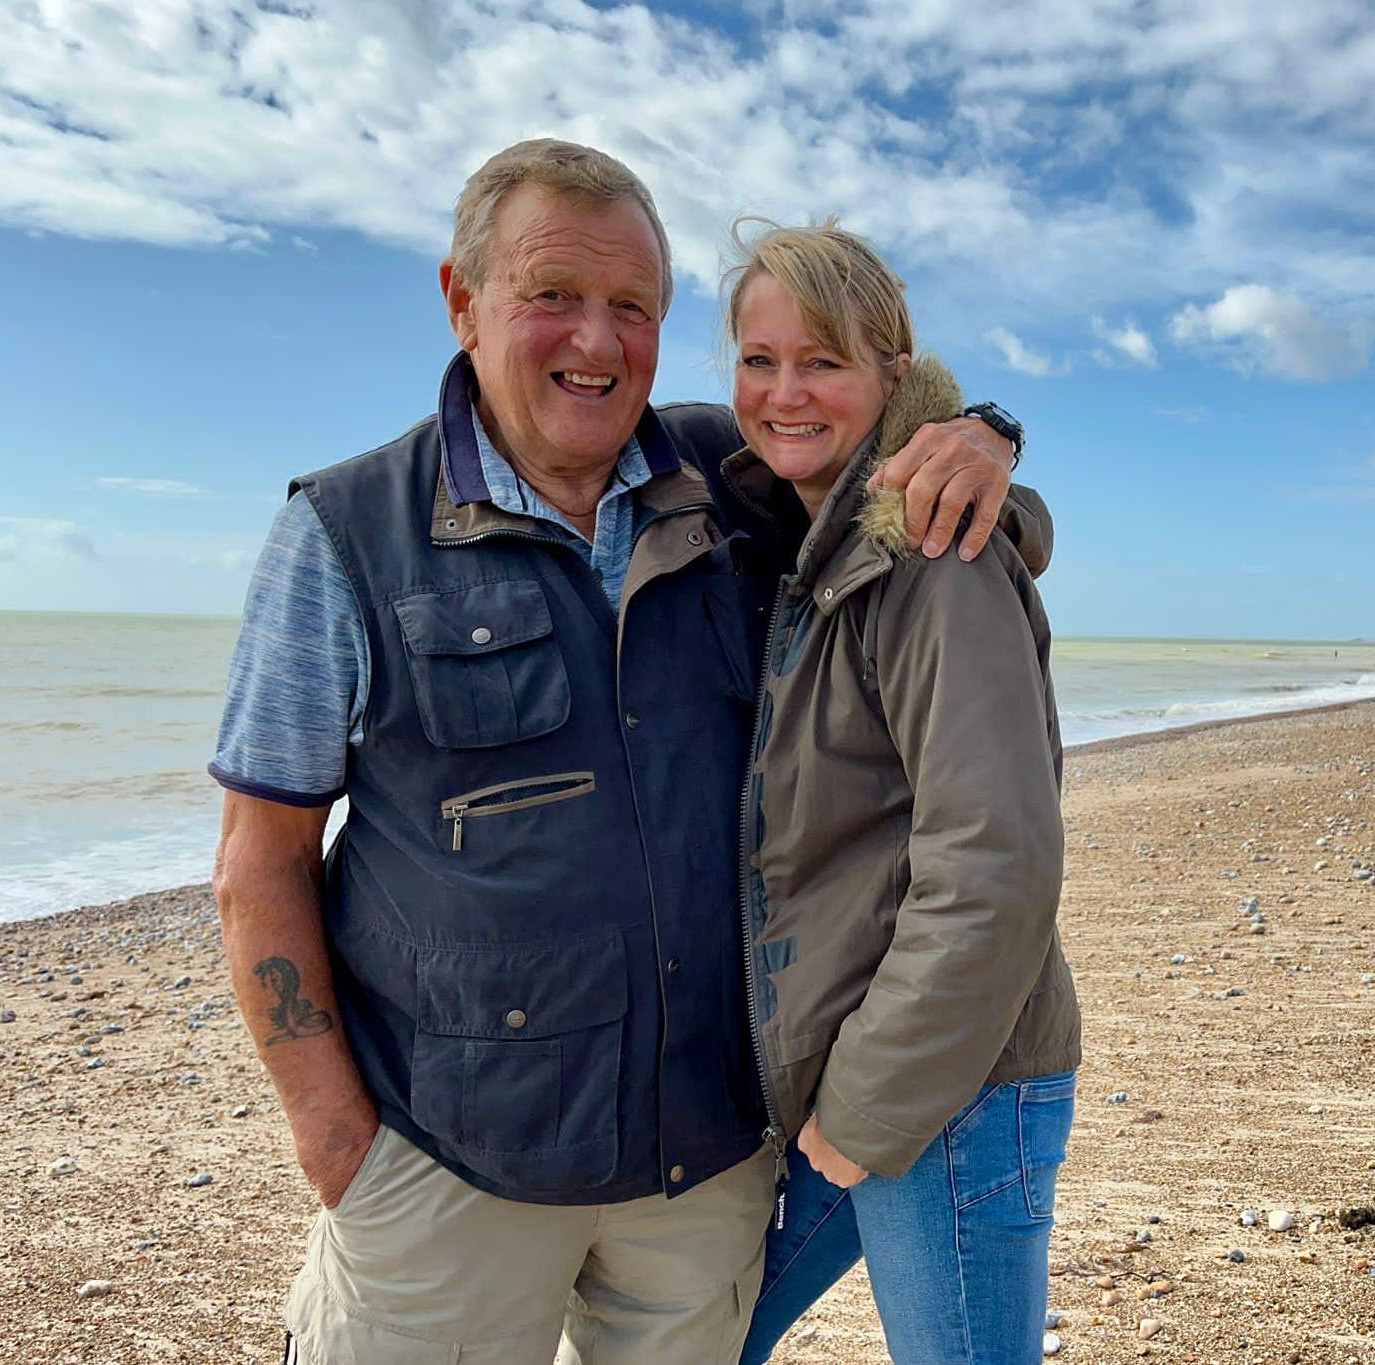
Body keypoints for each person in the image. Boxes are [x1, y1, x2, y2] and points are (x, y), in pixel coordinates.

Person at [208, 140, 1022, 1365]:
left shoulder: (729, 476)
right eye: (552, 296)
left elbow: (882, 474)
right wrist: (334, 1137)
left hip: (703, 1172)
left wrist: (984, 438)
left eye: (632, 308)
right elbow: (259, 860)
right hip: (448, 1171)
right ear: (461, 299)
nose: (597, 342)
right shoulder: (344, 533)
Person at [717, 222, 1080, 1365]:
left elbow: (995, 867)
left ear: (890, 371)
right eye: (756, 360)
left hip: (949, 1091)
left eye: (820, 361)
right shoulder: (808, 534)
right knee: (699, 1341)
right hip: (854, 1077)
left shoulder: (931, 560)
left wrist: (862, 1114)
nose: (783, 393)